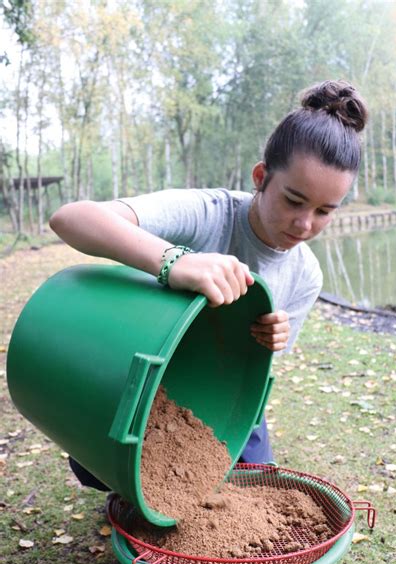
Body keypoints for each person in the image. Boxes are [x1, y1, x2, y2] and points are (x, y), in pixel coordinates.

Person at [50, 79, 368, 488]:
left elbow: (256, 371)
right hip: (146, 372)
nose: (305, 224)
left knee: (251, 485)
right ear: (260, 177)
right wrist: (175, 262)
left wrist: (270, 340)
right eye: (293, 200)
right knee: (95, 471)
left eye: (325, 211)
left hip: (221, 389)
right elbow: (71, 219)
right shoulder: (207, 212)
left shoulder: (307, 274)